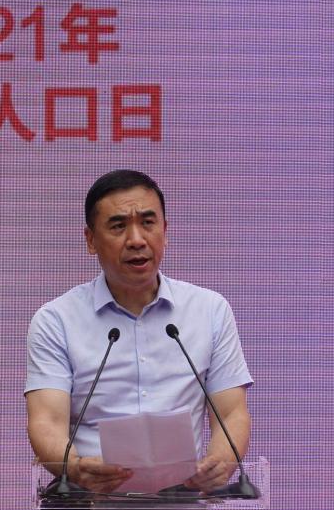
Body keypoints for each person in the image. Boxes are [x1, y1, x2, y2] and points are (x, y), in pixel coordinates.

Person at [25, 169, 253, 494]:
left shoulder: (210, 310)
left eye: (148, 222)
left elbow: (231, 412)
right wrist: (74, 467)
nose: (136, 240)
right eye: (118, 226)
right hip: (91, 500)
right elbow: (46, 421)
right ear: (91, 240)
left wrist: (220, 462)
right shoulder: (56, 320)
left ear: (165, 231)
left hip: (180, 499)